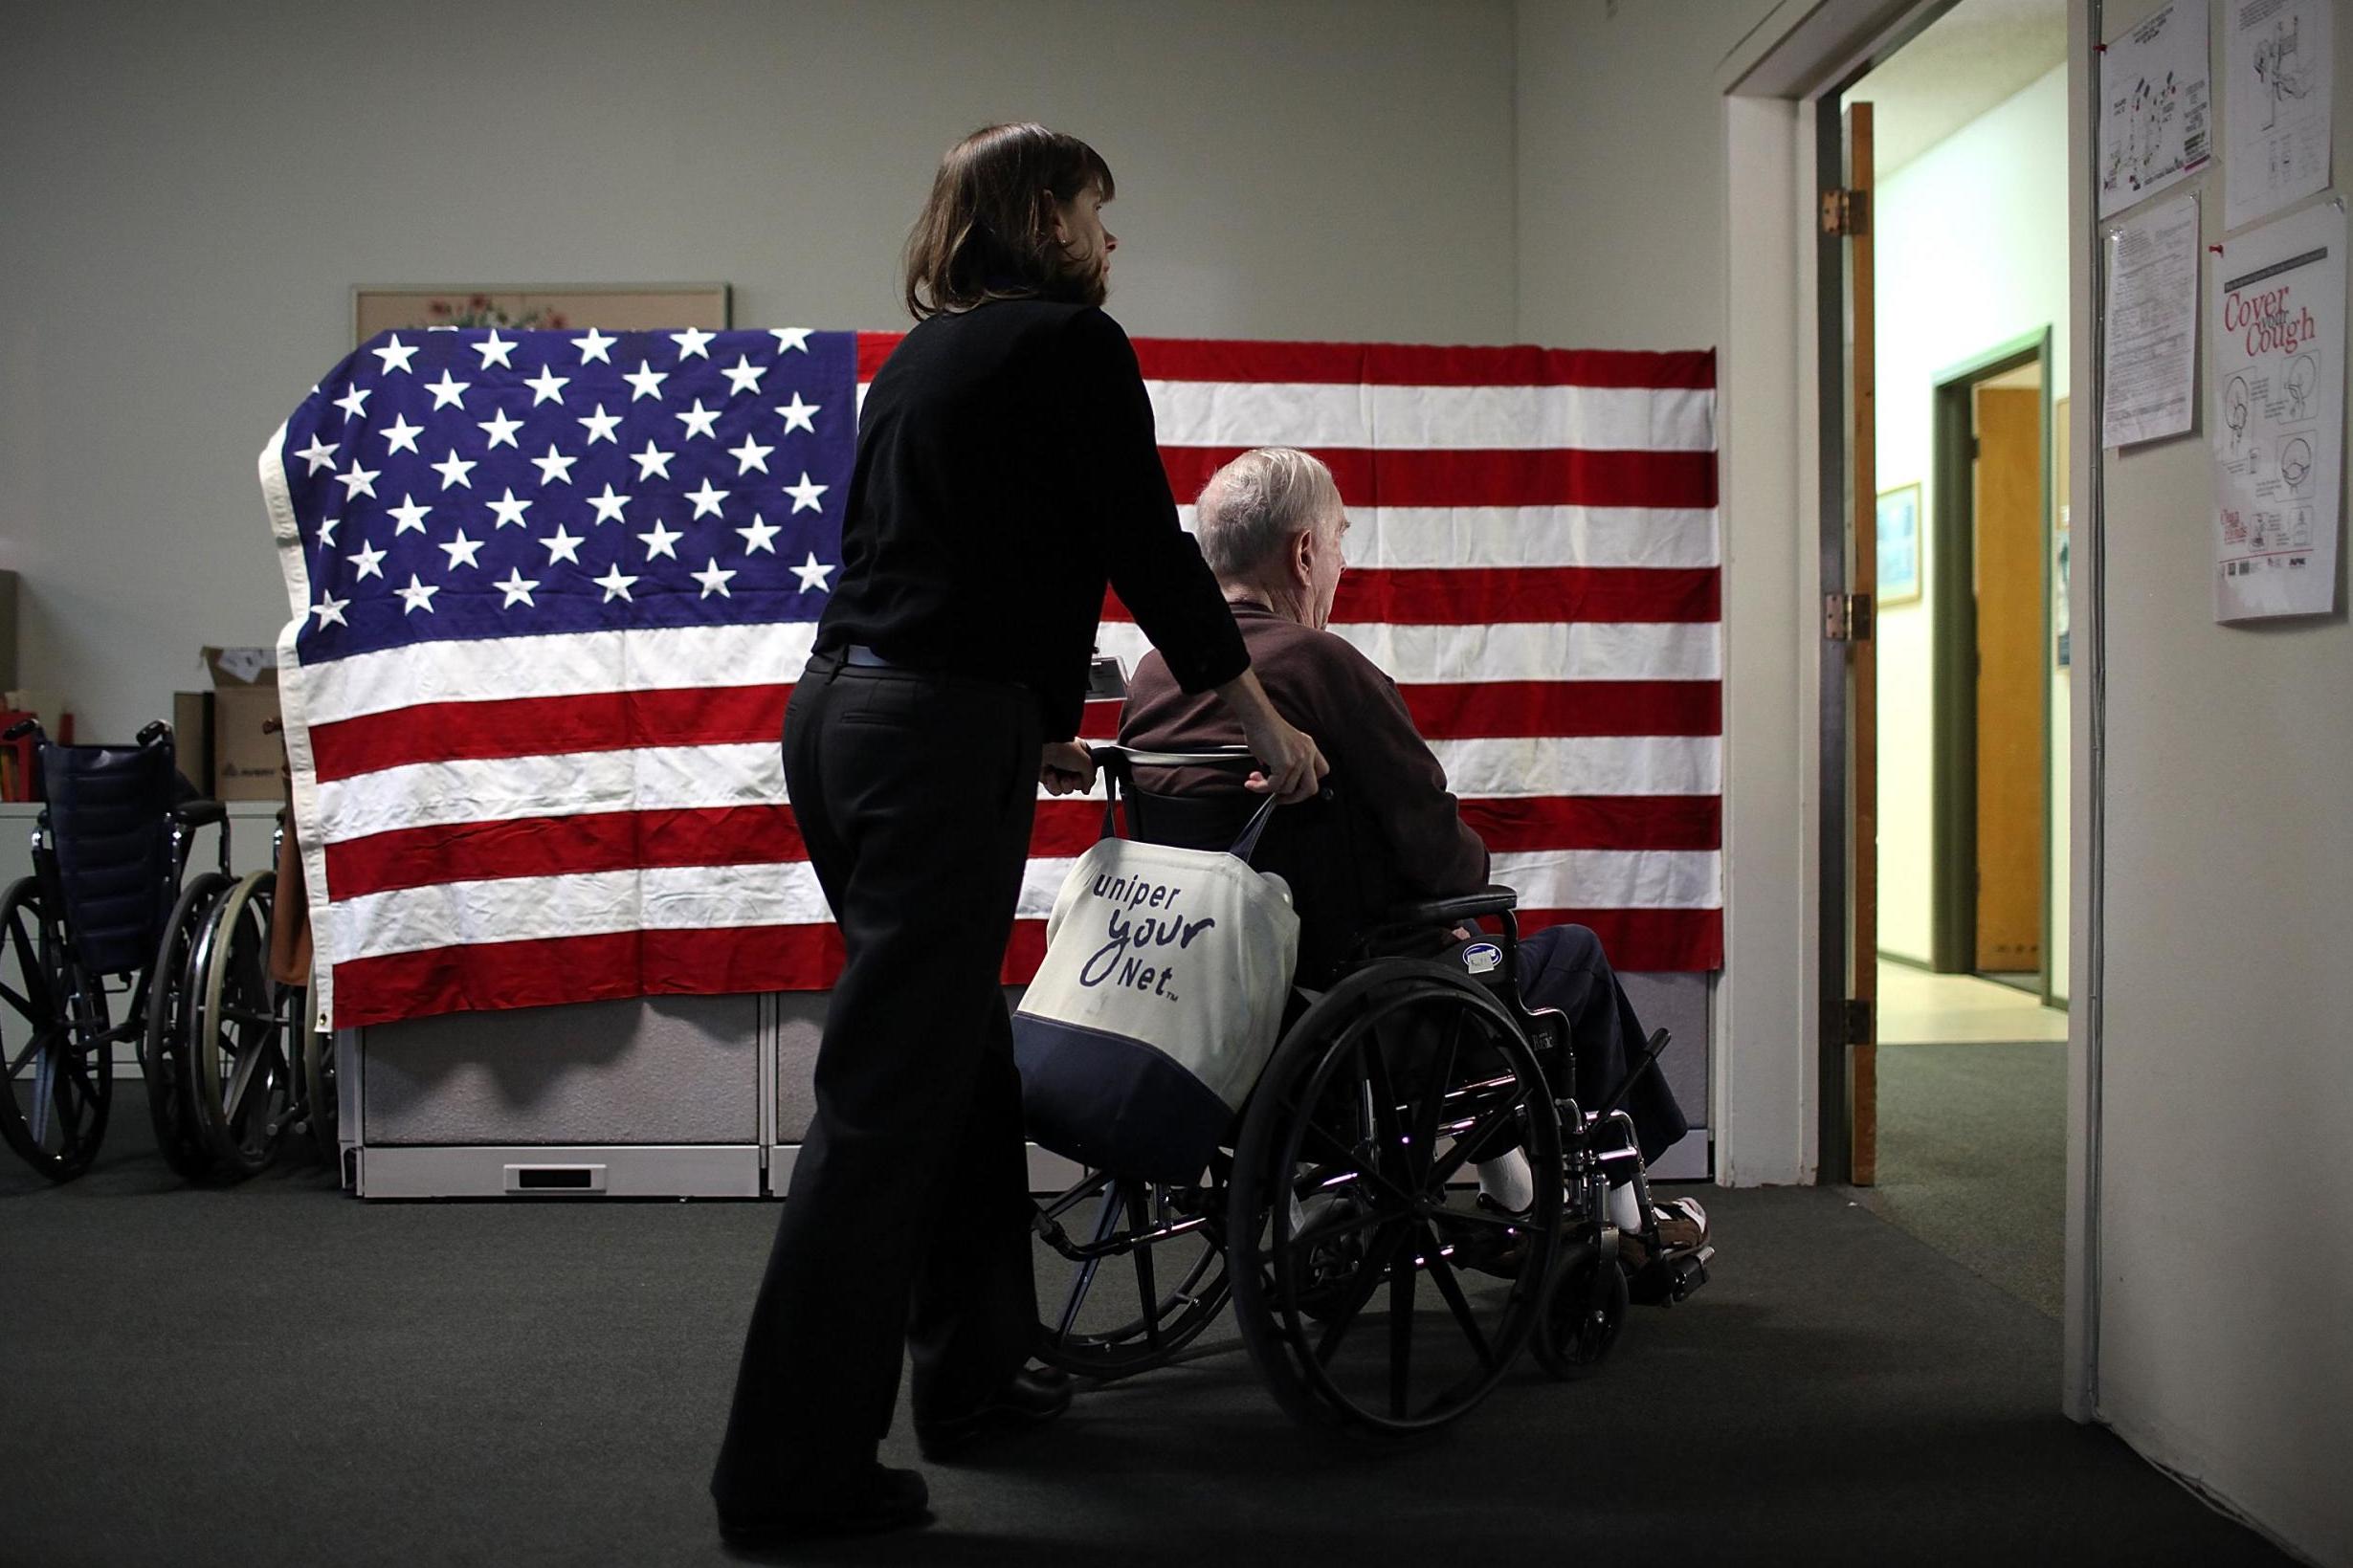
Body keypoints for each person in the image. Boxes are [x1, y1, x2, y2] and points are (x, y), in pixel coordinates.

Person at [710, 129, 1327, 1546]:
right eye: (1098, 215)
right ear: (1043, 215)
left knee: (956, 1060)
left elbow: (955, 554)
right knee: (883, 1099)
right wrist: (1258, 720)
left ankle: (976, 1375)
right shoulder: (1068, 345)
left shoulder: (921, 357)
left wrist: (1037, 707)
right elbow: (1146, 551)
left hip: (844, 719)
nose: (1112, 245)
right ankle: (785, 1470)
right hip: (930, 736)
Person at [1119, 447, 1699, 1245]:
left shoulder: (1154, 676)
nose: (1341, 564)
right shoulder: (1323, 667)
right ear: (1303, 551)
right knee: (1565, 958)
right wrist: (1453, 905)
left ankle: (1516, 1188)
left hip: (1210, 1000)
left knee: (1456, 959)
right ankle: (1629, 1218)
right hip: (1353, 1014)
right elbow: (1444, 856)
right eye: (1340, 541)